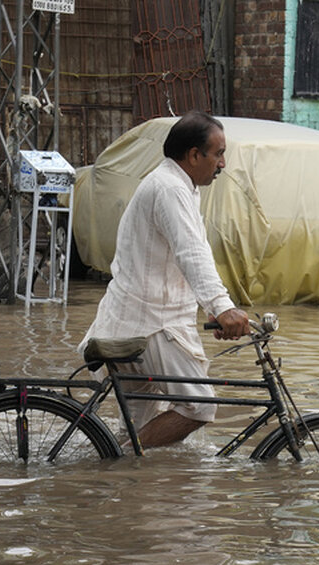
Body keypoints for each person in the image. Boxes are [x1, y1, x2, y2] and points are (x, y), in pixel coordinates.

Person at [78, 112, 251, 450]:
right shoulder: (169, 188)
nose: (223, 163)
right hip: (151, 324)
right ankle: (123, 461)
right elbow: (191, 254)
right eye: (218, 154)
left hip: (135, 320)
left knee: (139, 427)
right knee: (200, 405)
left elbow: (188, 255)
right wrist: (223, 306)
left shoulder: (176, 185)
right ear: (194, 155)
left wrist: (212, 310)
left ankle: (117, 478)